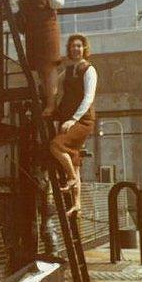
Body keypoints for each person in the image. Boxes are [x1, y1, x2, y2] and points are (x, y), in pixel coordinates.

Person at [49, 34, 97, 215]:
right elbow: (55, 84)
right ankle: (77, 203)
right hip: (67, 118)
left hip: (81, 120)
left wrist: (74, 119)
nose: (75, 49)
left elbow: (89, 98)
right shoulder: (68, 70)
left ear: (84, 48)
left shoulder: (89, 70)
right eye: (72, 46)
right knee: (74, 159)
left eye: (79, 46)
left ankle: (70, 179)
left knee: (56, 145)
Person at [16, 0, 64, 115]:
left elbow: (60, 3)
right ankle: (45, 102)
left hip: (48, 29)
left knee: (49, 67)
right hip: (32, 31)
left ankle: (51, 104)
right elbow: (12, 1)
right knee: (39, 69)